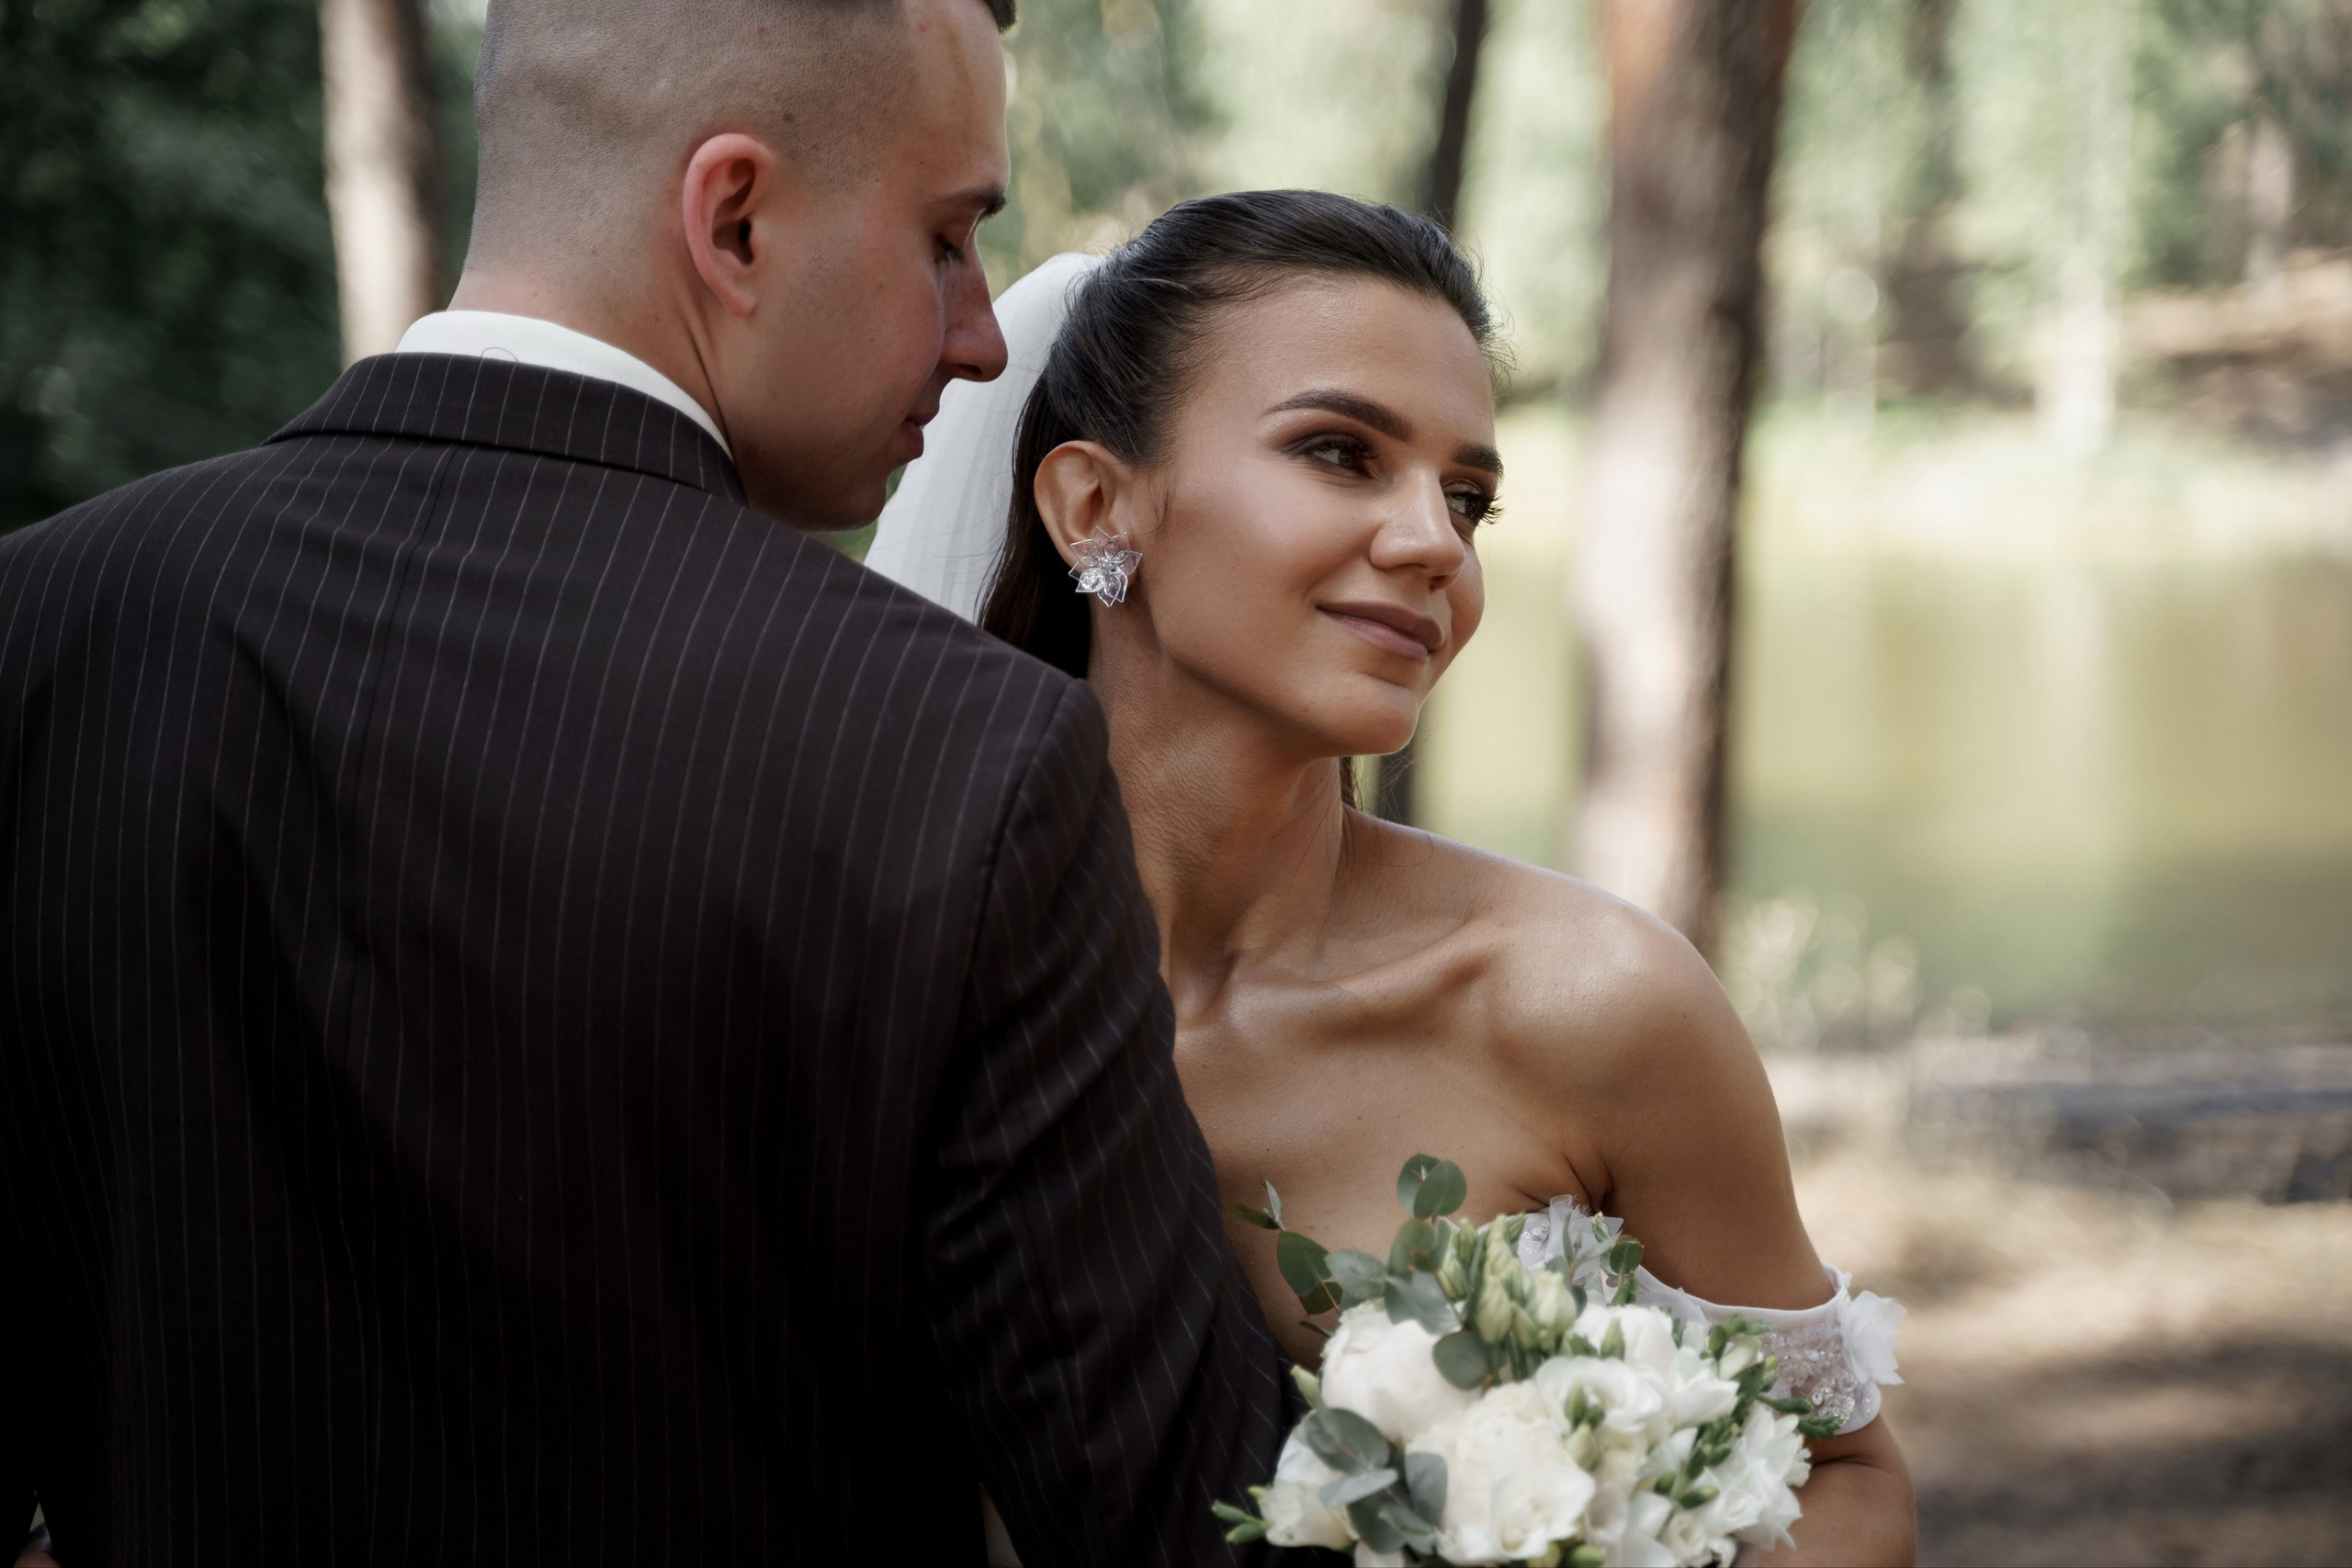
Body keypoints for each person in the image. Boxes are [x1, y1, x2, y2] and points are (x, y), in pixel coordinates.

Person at [0, 3, 1308, 1562]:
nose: (980, 336)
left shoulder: (39, 628)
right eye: (948, 239)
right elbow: (1181, 1515)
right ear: (734, 219)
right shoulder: (962, 754)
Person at [870, 191, 1919, 1564]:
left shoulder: (1592, 1004)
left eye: (1469, 497)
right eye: (1339, 452)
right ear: (1092, 503)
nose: (1436, 542)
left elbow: (1851, 1485)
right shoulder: (891, 989)